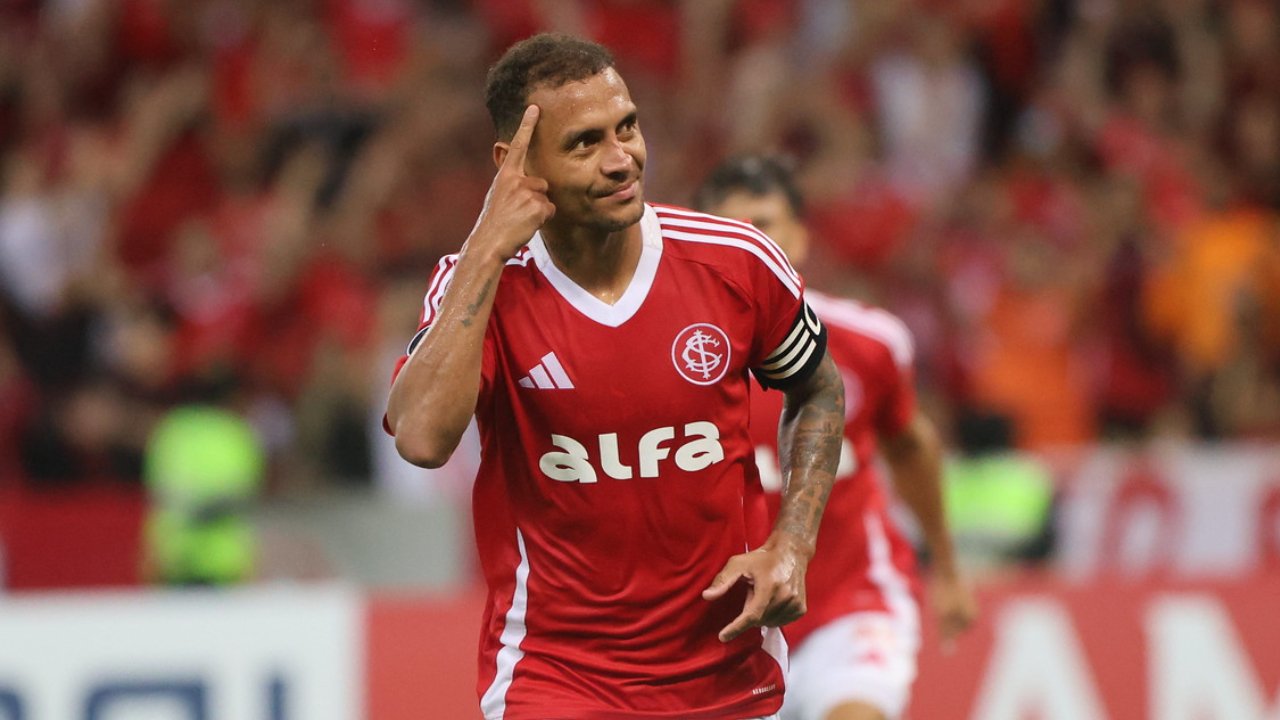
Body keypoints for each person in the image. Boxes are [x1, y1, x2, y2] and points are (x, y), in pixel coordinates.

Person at [385, 35, 845, 720]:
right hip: (555, 677)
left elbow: (818, 390)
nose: (619, 160)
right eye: (583, 143)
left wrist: (792, 542)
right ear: (514, 165)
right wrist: (487, 242)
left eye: (626, 127)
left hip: (728, 671)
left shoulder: (737, 261)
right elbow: (421, 437)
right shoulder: (474, 287)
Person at [695, 155, 977, 720]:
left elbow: (910, 449)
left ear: (797, 238)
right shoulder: (677, 362)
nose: (747, 246)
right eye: (727, 232)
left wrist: (946, 567)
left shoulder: (868, 344)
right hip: (726, 631)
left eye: (762, 226)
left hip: (851, 604)